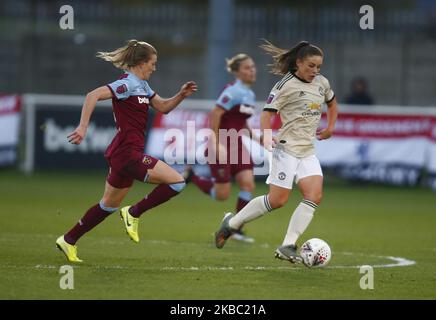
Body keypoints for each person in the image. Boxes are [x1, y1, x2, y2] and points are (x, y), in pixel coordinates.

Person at [56, 39, 197, 262]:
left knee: (108, 205)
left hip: (123, 153)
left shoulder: (142, 86)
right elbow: (92, 95)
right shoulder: (127, 84)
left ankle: (69, 239)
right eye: (153, 62)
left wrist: (180, 95)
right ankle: (134, 212)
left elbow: (162, 107)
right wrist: (82, 127)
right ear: (141, 62)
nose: (154, 67)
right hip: (128, 154)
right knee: (177, 181)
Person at [214, 40, 338, 264]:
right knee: (277, 200)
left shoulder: (322, 83)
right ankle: (231, 224)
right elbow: (266, 114)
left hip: (307, 150)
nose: (315, 71)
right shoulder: (285, 86)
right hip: (286, 149)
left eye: (319, 67)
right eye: (311, 66)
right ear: (298, 63)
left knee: (314, 196)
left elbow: (332, 102)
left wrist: (330, 127)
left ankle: (288, 245)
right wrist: (266, 134)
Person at [184, 54, 258, 243]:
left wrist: (257, 137)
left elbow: (240, 123)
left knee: (248, 184)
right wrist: (216, 142)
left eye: (253, 67)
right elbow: (215, 113)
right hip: (222, 143)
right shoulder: (232, 91)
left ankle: (236, 228)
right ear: (237, 72)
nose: (252, 70)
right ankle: (192, 176)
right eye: (247, 67)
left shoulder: (250, 94)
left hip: (237, 144)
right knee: (222, 195)